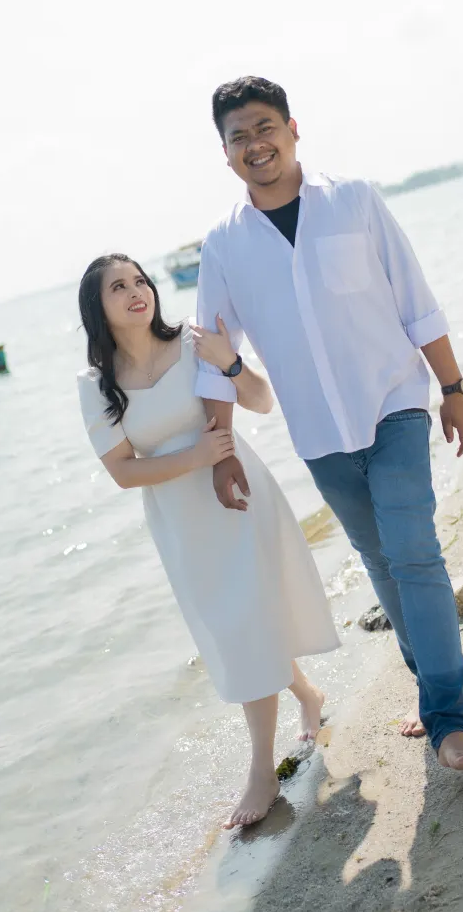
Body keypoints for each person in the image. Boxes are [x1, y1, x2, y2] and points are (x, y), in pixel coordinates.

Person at [194, 76, 463, 772]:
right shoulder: (223, 246)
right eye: (239, 137)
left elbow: (416, 300)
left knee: (414, 553)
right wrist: (221, 451)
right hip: (319, 434)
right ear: (225, 154)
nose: (255, 145)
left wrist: (453, 388)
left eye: (264, 128)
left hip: (394, 403)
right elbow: (213, 355)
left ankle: (449, 722)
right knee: (381, 563)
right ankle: (431, 693)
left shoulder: (354, 201)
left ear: (293, 129)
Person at [76, 254, 340, 829]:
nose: (137, 291)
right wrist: (196, 456)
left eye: (140, 280)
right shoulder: (95, 386)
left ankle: (262, 771)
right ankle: (308, 696)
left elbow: (261, 400)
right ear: (97, 307)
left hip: (239, 496)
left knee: (248, 620)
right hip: (182, 521)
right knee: (236, 626)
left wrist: (232, 363)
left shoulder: (194, 344)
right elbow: (123, 472)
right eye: (118, 287)